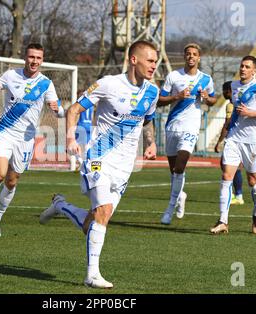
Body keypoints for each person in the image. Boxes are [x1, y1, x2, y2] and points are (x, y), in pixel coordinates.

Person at [39, 40, 159, 289]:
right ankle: (91, 275)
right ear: (133, 60)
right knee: (103, 212)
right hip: (98, 158)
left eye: (156, 61)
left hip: (125, 167)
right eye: (150, 60)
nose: (154, 65)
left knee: (93, 222)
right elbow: (73, 109)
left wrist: (151, 142)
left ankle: (60, 206)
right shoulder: (108, 84)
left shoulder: (152, 91)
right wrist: (71, 137)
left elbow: (147, 120)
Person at [0, 43, 63, 237]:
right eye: (31, 57)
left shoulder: (46, 83)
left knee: (11, 181)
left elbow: (60, 113)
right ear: (25, 58)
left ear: (42, 60)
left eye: (38, 58)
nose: (34, 61)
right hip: (6, 132)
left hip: (26, 138)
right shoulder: (10, 75)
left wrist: (56, 109)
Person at [210, 55, 256, 235]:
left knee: (252, 180)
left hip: (252, 141)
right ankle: (223, 220)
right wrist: (224, 135)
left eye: (247, 67)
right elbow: (234, 112)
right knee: (226, 175)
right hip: (234, 138)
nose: (243, 69)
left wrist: (251, 112)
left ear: (254, 70)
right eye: (242, 66)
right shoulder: (233, 86)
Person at [158, 43, 217, 225]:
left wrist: (207, 98)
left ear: (199, 58)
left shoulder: (206, 78)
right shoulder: (173, 76)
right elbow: (160, 100)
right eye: (188, 54)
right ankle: (181, 195)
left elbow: (214, 100)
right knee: (174, 171)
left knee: (180, 167)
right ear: (184, 57)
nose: (191, 57)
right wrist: (177, 97)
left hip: (191, 127)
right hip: (172, 126)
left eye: (194, 54)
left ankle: (169, 209)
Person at [214, 81, 244, 205]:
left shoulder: (231, 105)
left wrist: (220, 141)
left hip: (233, 138)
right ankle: (238, 195)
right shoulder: (241, 102)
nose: (223, 93)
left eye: (224, 90)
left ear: (229, 91)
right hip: (243, 137)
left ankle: (232, 195)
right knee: (236, 168)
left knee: (226, 165)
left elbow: (227, 124)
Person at [69, 105, 94, 171]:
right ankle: (87, 164)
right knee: (88, 147)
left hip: (81, 125)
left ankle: (81, 162)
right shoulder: (91, 104)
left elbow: (75, 114)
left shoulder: (81, 103)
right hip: (89, 125)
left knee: (72, 146)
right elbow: (92, 116)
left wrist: (74, 126)